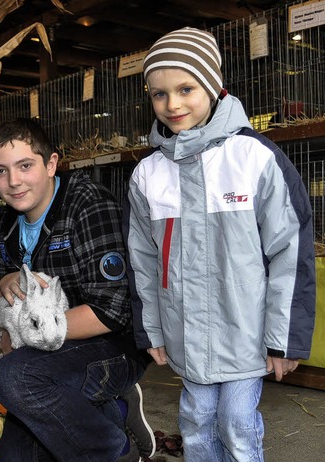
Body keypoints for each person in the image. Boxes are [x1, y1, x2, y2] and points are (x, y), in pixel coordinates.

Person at [125, 27, 316, 461]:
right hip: (186, 333)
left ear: (213, 85)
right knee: (195, 422)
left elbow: (291, 250)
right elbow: (142, 261)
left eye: (186, 88)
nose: (172, 104)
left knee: (236, 422)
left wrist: (283, 338)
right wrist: (151, 329)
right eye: (159, 94)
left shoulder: (254, 158)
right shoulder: (147, 175)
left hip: (246, 332)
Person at [0, 118, 154, 462]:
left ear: (51, 164)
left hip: (110, 347)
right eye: (1, 171)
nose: (13, 181)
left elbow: (113, 311)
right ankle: (114, 412)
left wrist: (25, 336)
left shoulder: (87, 205)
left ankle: (116, 451)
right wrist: (4, 285)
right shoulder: (6, 223)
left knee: (13, 378)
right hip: (47, 354)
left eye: (25, 166)